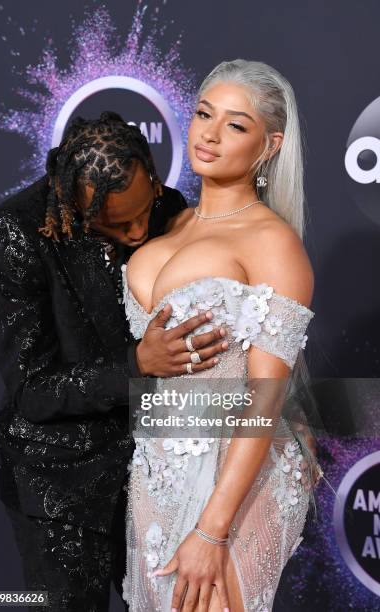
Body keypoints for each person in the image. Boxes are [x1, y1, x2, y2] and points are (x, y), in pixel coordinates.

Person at [0, 112, 229, 612]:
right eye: (117, 223)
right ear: (70, 199)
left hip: (152, 471)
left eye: (145, 210)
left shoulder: (168, 208)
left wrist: (283, 413)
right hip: (60, 488)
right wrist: (137, 361)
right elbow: (32, 391)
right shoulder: (17, 232)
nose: (139, 232)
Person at [122, 60, 322, 611]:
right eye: (204, 114)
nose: (208, 133)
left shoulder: (272, 243)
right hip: (158, 469)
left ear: (269, 146)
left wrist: (212, 528)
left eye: (235, 125)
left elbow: (266, 397)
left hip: (237, 483)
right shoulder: (170, 225)